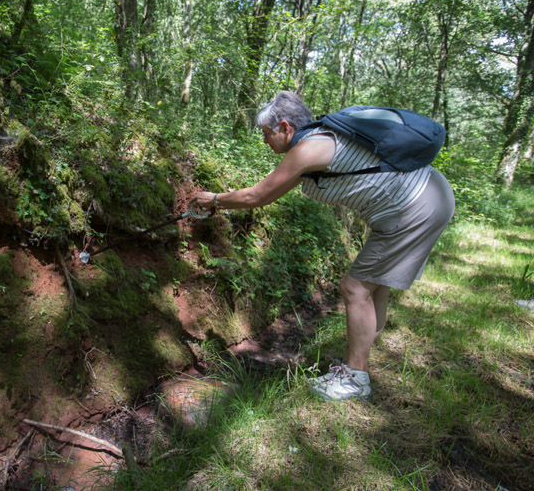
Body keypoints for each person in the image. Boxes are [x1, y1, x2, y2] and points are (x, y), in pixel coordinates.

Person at [190, 91, 455, 402]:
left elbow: (256, 197)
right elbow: (271, 192)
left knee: (354, 289)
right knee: (375, 288)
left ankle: (354, 380)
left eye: (266, 134)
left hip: (415, 206)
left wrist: (214, 200)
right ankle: (356, 365)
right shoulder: (318, 143)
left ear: (285, 127)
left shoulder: (309, 149)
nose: (265, 142)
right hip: (426, 198)